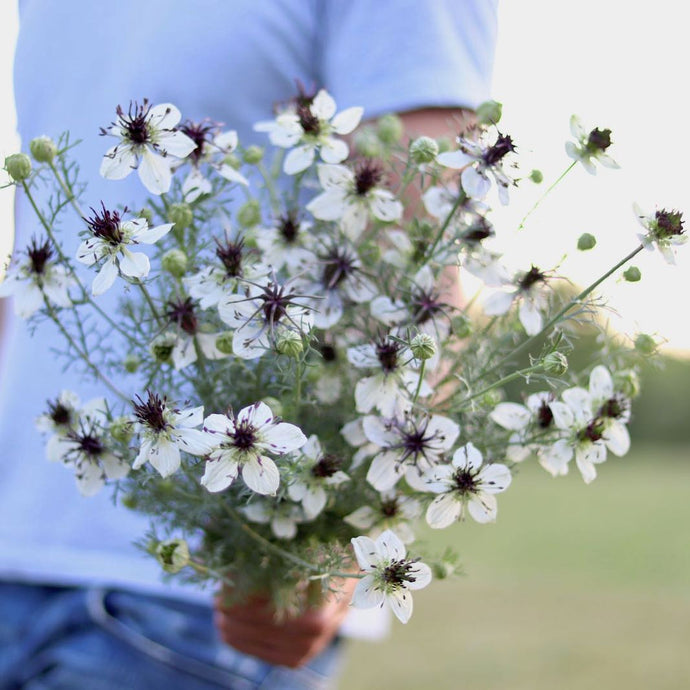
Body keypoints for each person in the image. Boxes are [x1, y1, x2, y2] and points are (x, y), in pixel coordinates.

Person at [0, 1, 499, 687]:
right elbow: (34, 258)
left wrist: (329, 542)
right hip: (17, 539)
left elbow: (420, 253)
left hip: (203, 591)